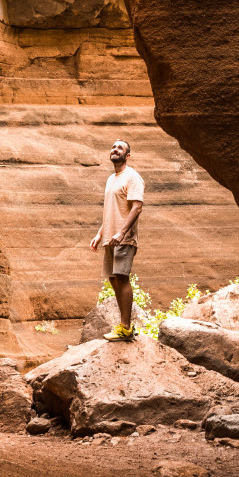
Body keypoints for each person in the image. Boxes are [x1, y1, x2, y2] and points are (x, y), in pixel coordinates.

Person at [90, 138, 144, 341]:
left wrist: (121, 232)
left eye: (120, 148)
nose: (115, 149)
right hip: (110, 237)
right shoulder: (111, 178)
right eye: (113, 147)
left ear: (127, 156)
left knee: (122, 277)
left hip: (124, 237)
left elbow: (137, 207)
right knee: (113, 278)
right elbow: (109, 211)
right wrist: (100, 234)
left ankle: (125, 327)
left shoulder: (133, 177)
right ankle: (124, 326)